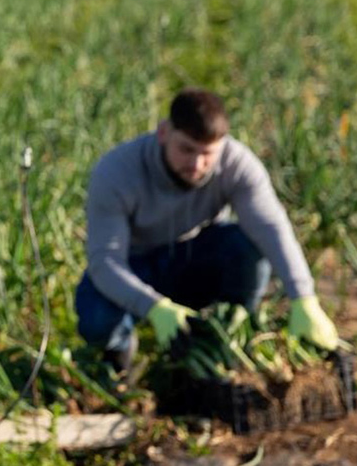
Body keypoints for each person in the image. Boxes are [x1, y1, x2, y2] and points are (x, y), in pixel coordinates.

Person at [76, 87, 337, 371]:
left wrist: (304, 298)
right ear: (164, 133)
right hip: (137, 264)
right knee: (96, 315)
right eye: (186, 149)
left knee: (246, 248)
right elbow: (105, 261)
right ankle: (119, 355)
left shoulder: (237, 164)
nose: (197, 164)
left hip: (196, 257)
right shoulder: (117, 171)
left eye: (207, 154)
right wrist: (155, 308)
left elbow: (272, 228)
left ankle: (223, 343)